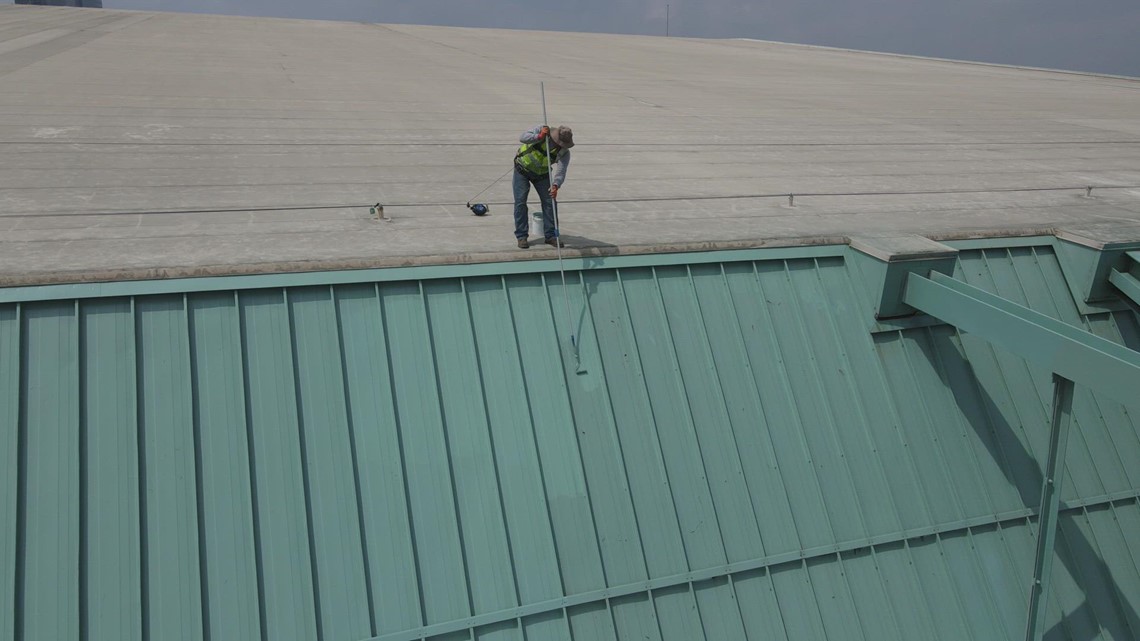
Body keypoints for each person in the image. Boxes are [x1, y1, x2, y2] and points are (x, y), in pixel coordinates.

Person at [513, 124, 573, 248]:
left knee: (550, 202)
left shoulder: (564, 153)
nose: (559, 145)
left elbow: (561, 171)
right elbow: (522, 137)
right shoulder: (543, 131)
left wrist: (556, 185)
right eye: (559, 142)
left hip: (542, 174)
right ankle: (522, 236)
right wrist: (538, 136)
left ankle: (551, 236)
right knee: (520, 202)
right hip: (522, 170)